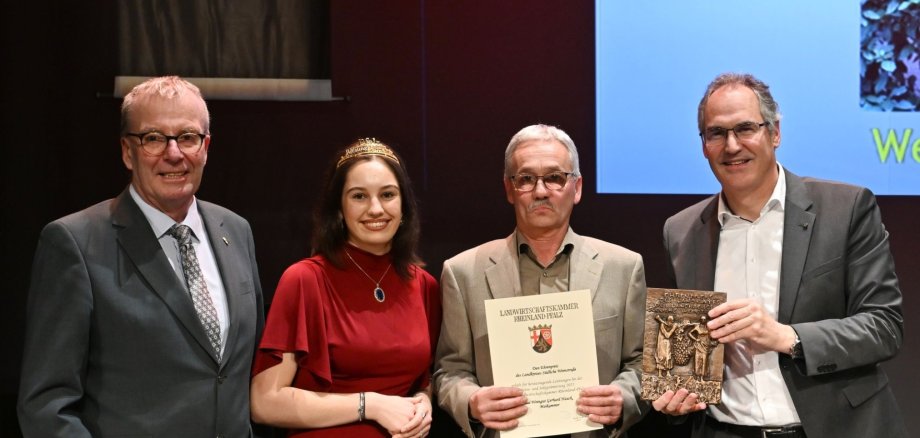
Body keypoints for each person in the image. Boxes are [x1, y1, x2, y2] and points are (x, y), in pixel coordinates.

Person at [653, 73, 906, 438]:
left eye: (745, 128)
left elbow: (884, 326)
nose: (732, 146)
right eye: (716, 133)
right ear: (703, 144)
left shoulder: (845, 208)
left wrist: (786, 336)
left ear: (774, 133)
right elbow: (688, 358)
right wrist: (677, 396)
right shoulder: (681, 231)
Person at [17, 76, 264, 436]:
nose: (174, 153)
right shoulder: (75, 243)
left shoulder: (236, 231)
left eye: (188, 137)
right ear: (126, 151)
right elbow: (47, 407)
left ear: (206, 146)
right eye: (153, 138)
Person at [434, 124, 648, 438]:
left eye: (554, 177)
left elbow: (642, 361)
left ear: (576, 188)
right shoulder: (463, 272)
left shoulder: (624, 267)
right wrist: (471, 401)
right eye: (526, 179)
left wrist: (624, 398)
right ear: (509, 189)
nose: (540, 191)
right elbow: (450, 370)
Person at [250, 138, 441, 437]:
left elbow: (423, 383)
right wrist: (370, 405)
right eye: (359, 196)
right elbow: (265, 403)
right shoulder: (304, 280)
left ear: (404, 205)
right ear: (339, 208)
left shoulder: (425, 286)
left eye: (388, 194)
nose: (376, 208)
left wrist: (424, 403)